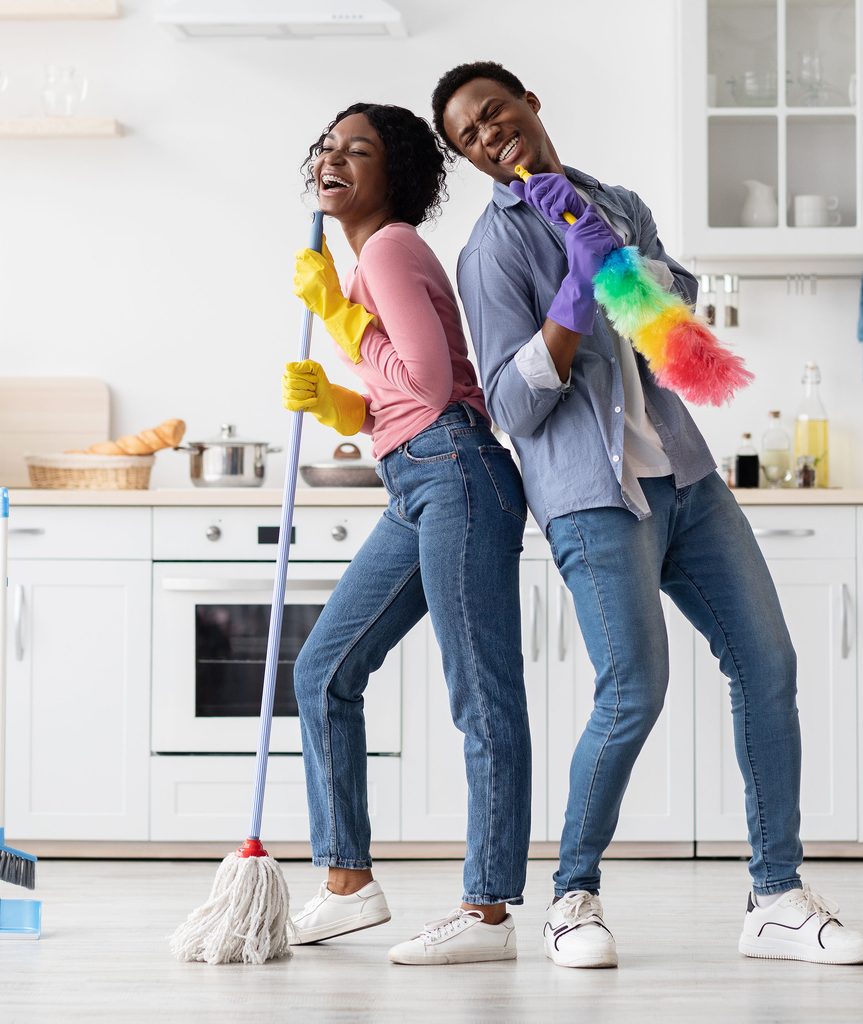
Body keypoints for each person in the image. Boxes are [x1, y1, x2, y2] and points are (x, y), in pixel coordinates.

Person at [432, 62, 863, 968]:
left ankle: (775, 896)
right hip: (591, 499)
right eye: (468, 137)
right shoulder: (490, 252)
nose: (488, 135)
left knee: (768, 664)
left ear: (529, 102)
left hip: (686, 478)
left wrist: (620, 261)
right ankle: (572, 898)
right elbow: (512, 408)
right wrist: (574, 295)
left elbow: (678, 333)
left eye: (493, 112)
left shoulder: (617, 204)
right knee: (634, 688)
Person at [284, 101, 530, 966]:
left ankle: (488, 914)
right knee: (322, 671)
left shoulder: (388, 248)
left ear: (396, 174)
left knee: (482, 698)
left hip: (455, 471)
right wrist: (338, 403)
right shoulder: (370, 260)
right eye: (328, 147)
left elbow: (427, 386)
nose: (334, 158)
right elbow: (402, 399)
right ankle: (348, 883)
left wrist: (341, 317)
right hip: (422, 476)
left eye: (359, 149)